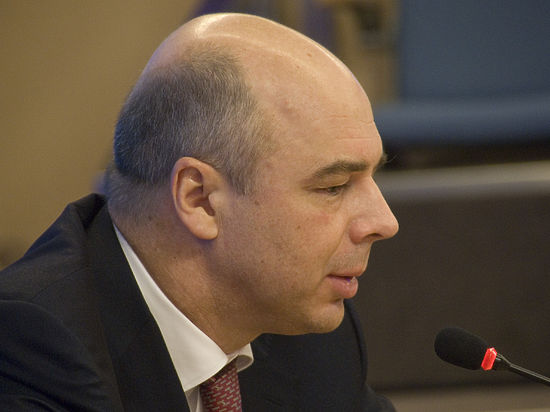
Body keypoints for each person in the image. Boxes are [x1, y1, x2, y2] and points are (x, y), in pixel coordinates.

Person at [0, 13, 398, 411]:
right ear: (200, 200)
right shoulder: (29, 352)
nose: (385, 222)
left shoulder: (308, 332)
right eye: (333, 187)